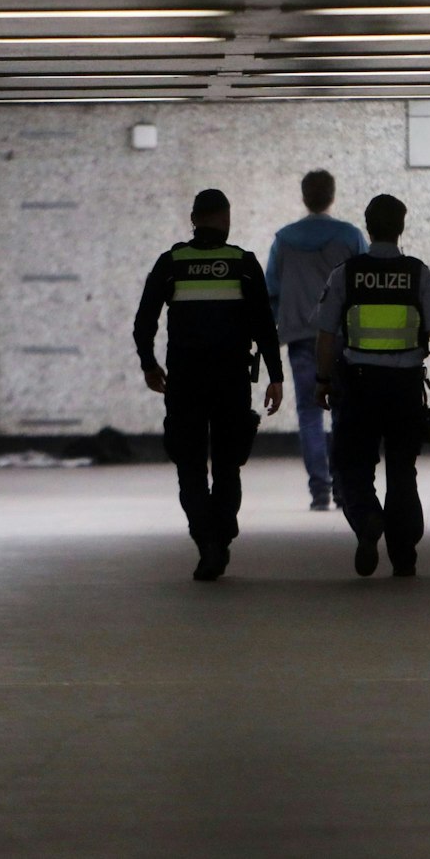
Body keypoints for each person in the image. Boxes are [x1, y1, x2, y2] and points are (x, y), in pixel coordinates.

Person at [313, 194, 430, 578]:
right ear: (401, 227)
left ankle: (366, 518)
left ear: (368, 227)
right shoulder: (418, 274)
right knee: (402, 470)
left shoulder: (344, 274)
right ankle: (404, 556)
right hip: (404, 388)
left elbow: (326, 334)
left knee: (353, 465)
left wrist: (322, 380)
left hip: (358, 387)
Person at [133, 188, 285, 581]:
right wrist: (276, 375)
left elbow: (144, 321)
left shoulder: (172, 263)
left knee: (189, 464)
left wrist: (149, 364)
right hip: (231, 378)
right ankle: (221, 534)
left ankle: (207, 542)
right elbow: (265, 327)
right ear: (225, 218)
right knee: (228, 464)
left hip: (184, 380)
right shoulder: (243, 264)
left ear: (194, 218)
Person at [266, 169, 369, 511]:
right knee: (342, 412)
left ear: (304, 196)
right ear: (332, 195)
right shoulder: (350, 236)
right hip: (341, 338)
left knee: (310, 414)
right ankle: (342, 489)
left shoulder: (284, 239)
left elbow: (272, 292)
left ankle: (319, 491)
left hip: (300, 338)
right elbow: (364, 285)